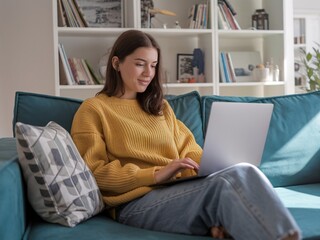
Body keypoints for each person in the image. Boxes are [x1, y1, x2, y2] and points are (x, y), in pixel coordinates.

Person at [71, 29, 301, 240]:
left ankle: (225, 224)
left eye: (153, 65)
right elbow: (95, 174)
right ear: (116, 63)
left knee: (244, 171)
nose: (148, 73)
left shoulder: (159, 107)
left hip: (177, 191)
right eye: (140, 64)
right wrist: (156, 174)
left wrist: (210, 165)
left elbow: (189, 148)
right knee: (224, 186)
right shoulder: (93, 109)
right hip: (134, 204)